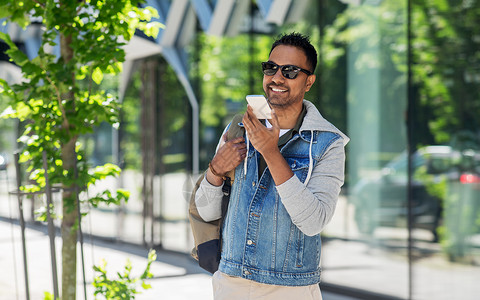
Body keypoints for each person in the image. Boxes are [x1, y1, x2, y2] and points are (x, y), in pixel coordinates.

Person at [195, 32, 349, 300]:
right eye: (271, 68)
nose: (277, 77)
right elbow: (207, 213)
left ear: (308, 81)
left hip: (290, 289)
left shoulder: (328, 143)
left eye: (290, 71)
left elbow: (314, 222)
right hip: (232, 283)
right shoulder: (238, 129)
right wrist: (214, 172)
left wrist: (269, 150)